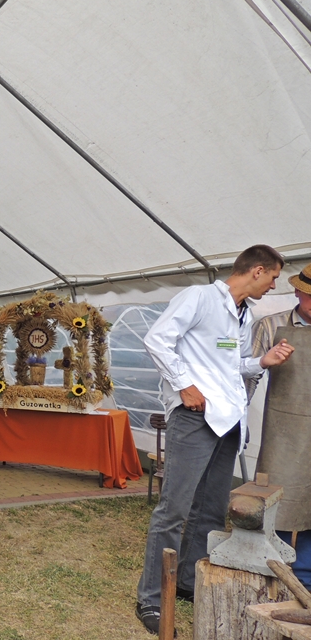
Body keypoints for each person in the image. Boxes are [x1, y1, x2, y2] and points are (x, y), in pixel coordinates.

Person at [136, 245, 295, 634]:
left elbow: (230, 363)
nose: (274, 285)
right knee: (174, 511)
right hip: (195, 417)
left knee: (209, 511)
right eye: (273, 277)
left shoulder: (243, 314)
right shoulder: (200, 297)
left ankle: (187, 582)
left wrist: (261, 361)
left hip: (227, 422)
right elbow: (157, 339)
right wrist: (184, 385)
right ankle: (151, 598)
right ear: (257, 271)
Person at [248, 263, 311, 592]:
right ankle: (274, 572)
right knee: (279, 501)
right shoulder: (271, 325)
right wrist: (236, 420)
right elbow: (249, 375)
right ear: (298, 291)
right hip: (284, 432)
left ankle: (306, 578)